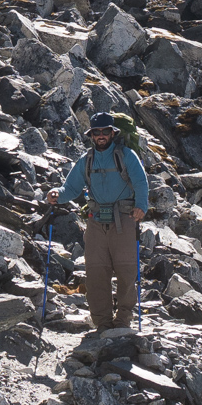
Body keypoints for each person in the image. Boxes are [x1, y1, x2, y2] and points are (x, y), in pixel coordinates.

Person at [47, 112, 149, 330]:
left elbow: (141, 182)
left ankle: (123, 320)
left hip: (124, 219)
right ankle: (102, 323)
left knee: (126, 271)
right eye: (96, 132)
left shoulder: (126, 155)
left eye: (105, 131)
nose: (101, 135)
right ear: (91, 135)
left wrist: (141, 206)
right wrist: (57, 194)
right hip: (95, 221)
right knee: (95, 271)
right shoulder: (87, 160)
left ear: (113, 133)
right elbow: (71, 188)